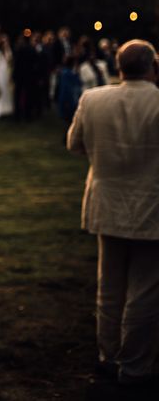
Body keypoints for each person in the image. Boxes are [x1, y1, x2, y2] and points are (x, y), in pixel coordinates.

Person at [67, 40, 159, 392]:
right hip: (151, 206)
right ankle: (135, 365)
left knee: (109, 285)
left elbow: (74, 144)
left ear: (119, 67)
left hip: (107, 203)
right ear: (153, 67)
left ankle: (108, 355)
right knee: (145, 290)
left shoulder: (93, 99)